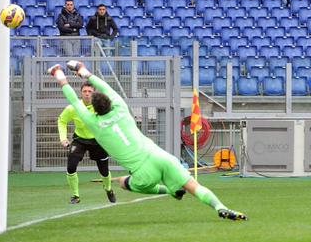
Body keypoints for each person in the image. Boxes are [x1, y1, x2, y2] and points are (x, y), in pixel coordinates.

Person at [48, 61, 247, 221]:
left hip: (143, 173)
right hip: (161, 156)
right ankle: (221, 207)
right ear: (110, 102)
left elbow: (74, 101)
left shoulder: (93, 122)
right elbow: (104, 86)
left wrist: (59, 75)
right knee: (194, 186)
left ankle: (168, 190)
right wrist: (83, 71)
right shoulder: (121, 107)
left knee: (124, 184)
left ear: (95, 109)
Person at [58, 81, 115, 204]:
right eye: (85, 91)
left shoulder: (100, 107)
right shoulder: (73, 107)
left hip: (98, 140)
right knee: (71, 167)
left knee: (104, 171)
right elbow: (62, 121)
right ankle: (75, 196)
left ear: (94, 93)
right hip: (80, 140)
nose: (87, 94)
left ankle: (109, 189)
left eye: (90, 91)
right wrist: (63, 138)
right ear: (81, 93)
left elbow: (111, 120)